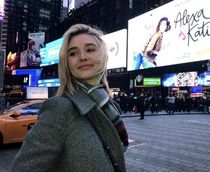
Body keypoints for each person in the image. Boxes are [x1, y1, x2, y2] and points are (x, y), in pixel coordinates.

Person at [11, 24, 129, 172]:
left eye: (90, 49)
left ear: (104, 55)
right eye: (73, 53)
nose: (83, 57)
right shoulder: (60, 109)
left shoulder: (109, 106)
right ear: (67, 63)